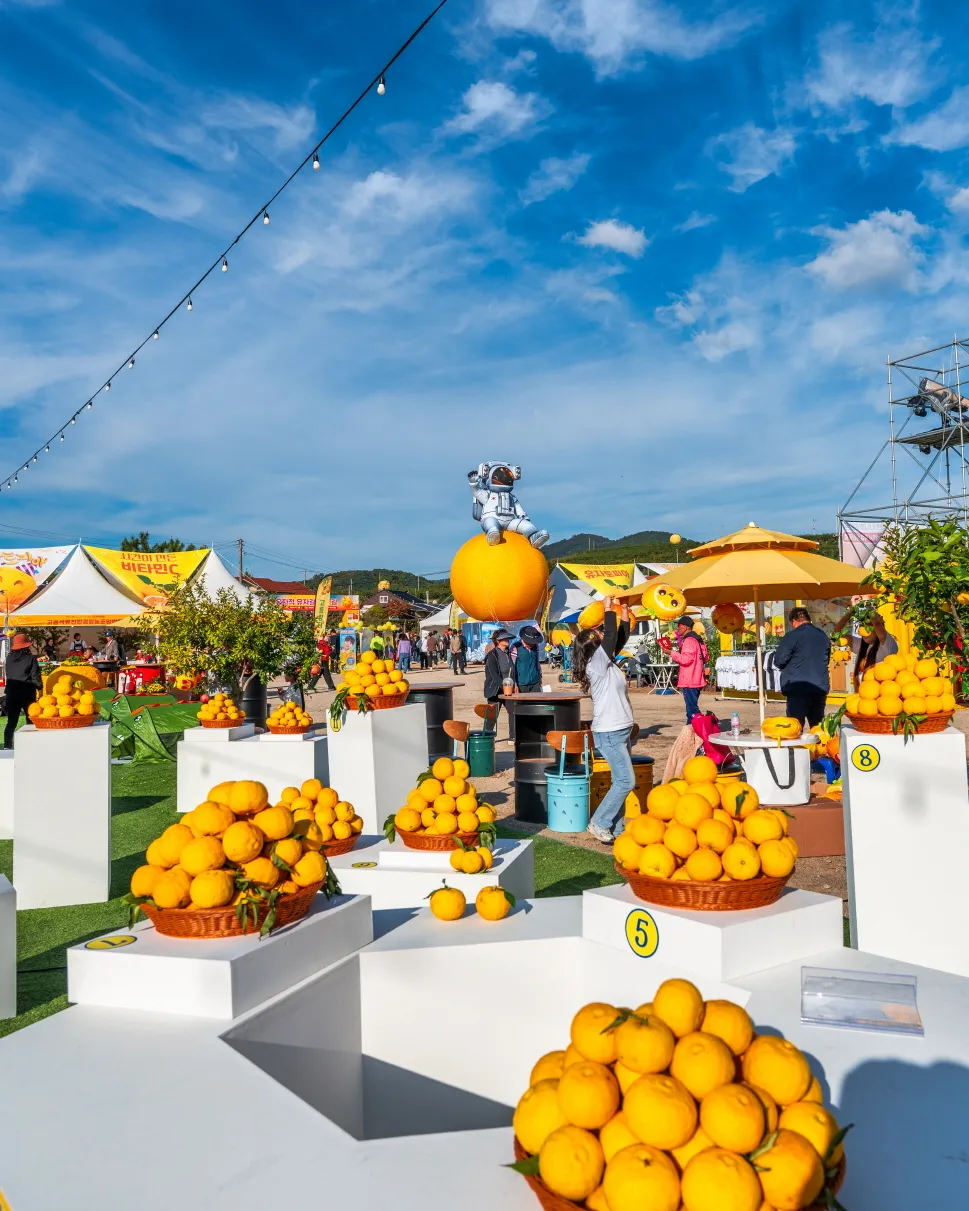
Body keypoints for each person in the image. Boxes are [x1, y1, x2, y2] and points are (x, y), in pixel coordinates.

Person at [571, 599, 635, 843]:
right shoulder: (596, 664)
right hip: (609, 733)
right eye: (595, 631)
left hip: (620, 730)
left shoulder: (606, 661)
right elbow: (610, 635)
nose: (600, 631)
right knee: (625, 780)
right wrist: (608, 607)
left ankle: (617, 831)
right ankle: (598, 823)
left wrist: (625, 610)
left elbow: (620, 636)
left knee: (621, 781)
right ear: (592, 644)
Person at [773, 606, 831, 727]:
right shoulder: (823, 636)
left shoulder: (792, 636)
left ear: (794, 621)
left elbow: (779, 661)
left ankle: (797, 747)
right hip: (818, 687)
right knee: (817, 727)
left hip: (797, 687)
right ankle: (817, 746)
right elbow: (826, 660)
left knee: (794, 727)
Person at [666, 616, 708, 724]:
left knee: (692, 710)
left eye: (679, 627)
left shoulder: (688, 641)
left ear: (685, 627)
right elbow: (706, 657)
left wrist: (671, 653)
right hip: (697, 678)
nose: (677, 629)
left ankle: (701, 730)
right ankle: (691, 732)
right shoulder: (698, 639)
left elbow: (686, 660)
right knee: (691, 709)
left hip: (690, 680)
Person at [4, 633, 41, 749]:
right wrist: (40, 688)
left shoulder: (8, 658)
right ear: (27, 646)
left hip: (11, 693)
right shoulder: (31, 659)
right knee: (31, 720)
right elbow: (36, 677)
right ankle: (30, 745)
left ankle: (7, 746)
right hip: (27, 693)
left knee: (11, 721)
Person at [482, 628, 517, 738]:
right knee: (492, 717)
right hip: (495, 690)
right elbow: (494, 675)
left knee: (513, 712)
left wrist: (514, 684)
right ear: (498, 640)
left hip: (508, 689)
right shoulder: (492, 655)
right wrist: (504, 687)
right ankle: (485, 738)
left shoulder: (508, 653)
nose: (507, 640)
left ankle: (513, 737)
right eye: (504, 638)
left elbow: (512, 671)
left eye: (507, 638)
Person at [850, 614, 899, 689]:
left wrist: (870, 612)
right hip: (863, 693)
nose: (865, 630)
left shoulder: (888, 646)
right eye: (862, 627)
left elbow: (878, 626)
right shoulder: (862, 646)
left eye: (869, 627)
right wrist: (849, 614)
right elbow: (836, 636)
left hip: (883, 692)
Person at [512, 625, 543, 692]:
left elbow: (537, 663)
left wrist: (539, 677)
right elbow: (512, 667)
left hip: (535, 682)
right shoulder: (515, 647)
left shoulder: (536, 647)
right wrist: (514, 683)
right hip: (521, 684)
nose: (533, 644)